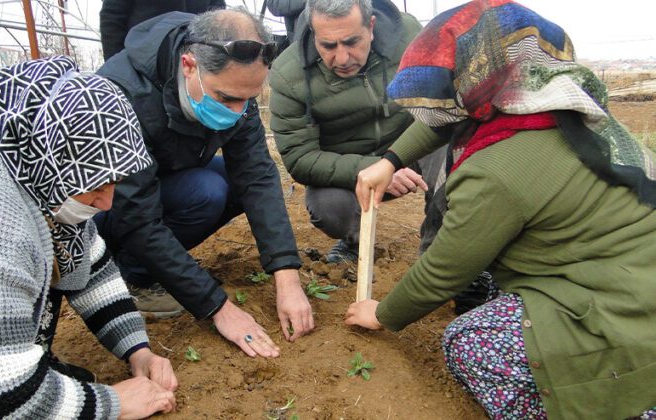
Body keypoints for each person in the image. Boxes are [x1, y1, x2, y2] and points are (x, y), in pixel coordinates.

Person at [344, 1, 656, 418]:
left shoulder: (496, 169)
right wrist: (391, 160)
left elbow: (444, 270)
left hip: (621, 314)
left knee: (468, 341)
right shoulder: (550, 100)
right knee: (491, 278)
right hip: (626, 272)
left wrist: (381, 314)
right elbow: (448, 112)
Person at [0, 56, 178, 419]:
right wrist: (113, 404)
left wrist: (138, 350)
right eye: (95, 186)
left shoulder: (30, 157)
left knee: (49, 257)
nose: (107, 201)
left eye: (112, 181)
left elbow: (90, 266)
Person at [96, 8, 314, 359]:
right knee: (207, 193)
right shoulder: (124, 94)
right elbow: (137, 217)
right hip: (108, 209)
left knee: (231, 182)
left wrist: (286, 277)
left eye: (250, 98)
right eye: (226, 98)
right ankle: (132, 276)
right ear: (189, 66)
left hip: (169, 178)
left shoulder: (234, 90)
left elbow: (257, 176)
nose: (238, 110)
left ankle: (149, 266)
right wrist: (218, 307)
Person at [268, 0, 427, 264]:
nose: (341, 59)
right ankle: (353, 243)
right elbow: (300, 158)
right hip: (350, 166)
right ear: (312, 32)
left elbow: (443, 102)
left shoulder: (408, 35)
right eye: (328, 46)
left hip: (412, 147)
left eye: (352, 42)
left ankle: (449, 252)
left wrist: (395, 159)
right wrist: (380, 167)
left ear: (371, 26)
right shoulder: (289, 75)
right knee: (330, 208)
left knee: (455, 154)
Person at [100, 0, 226, 61]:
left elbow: (217, 12)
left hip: (193, 63)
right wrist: (116, 63)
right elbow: (112, 17)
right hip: (141, 64)